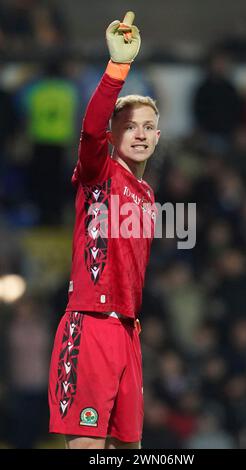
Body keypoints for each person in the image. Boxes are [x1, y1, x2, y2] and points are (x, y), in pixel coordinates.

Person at [48, 12, 160, 449]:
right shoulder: (101, 172)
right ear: (112, 136)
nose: (140, 133)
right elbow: (90, 128)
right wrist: (117, 68)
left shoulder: (147, 195)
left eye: (148, 126)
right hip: (91, 323)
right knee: (88, 448)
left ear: (158, 136)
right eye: (129, 125)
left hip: (128, 331)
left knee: (128, 449)